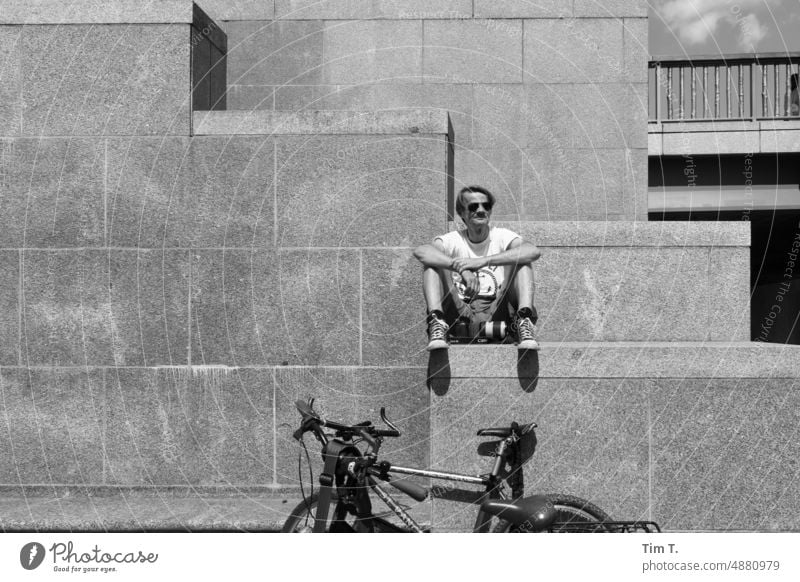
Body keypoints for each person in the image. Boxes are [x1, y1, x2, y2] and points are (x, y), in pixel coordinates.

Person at [413, 185, 541, 351]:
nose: (481, 210)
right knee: (432, 265)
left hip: (499, 311)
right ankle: (437, 323)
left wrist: (483, 262)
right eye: (473, 206)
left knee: (523, 262)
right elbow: (421, 251)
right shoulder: (453, 240)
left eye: (486, 206)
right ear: (462, 213)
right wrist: (459, 268)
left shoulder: (502, 236)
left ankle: (524, 322)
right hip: (459, 315)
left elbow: (532, 251)